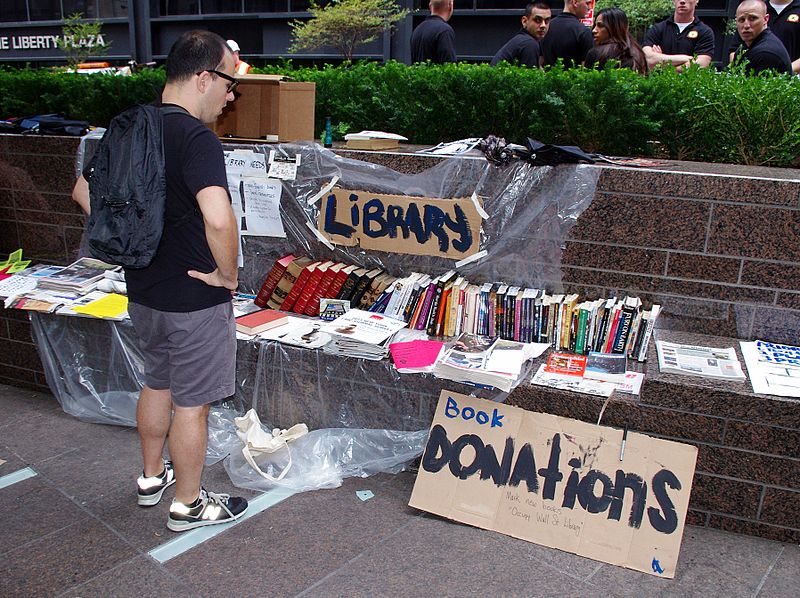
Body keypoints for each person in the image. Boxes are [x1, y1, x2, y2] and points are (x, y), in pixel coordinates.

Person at [72, 30, 248, 532]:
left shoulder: (129, 125)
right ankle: (188, 505)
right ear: (201, 78)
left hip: (144, 289)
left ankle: (152, 478)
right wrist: (228, 275)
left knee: (157, 382)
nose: (230, 95)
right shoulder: (195, 138)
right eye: (228, 83)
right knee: (193, 403)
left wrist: (133, 239)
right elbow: (218, 219)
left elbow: (83, 191)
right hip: (194, 294)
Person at [643, 0, 715, 71]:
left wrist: (662, 63)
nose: (682, 1)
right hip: (658, 82)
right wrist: (685, 59)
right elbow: (647, 58)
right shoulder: (658, 29)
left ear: (696, 1)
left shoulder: (705, 32)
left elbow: (701, 64)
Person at [731, 0, 793, 74]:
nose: (746, 25)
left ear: (765, 19)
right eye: (741, 20)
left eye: (752, 18)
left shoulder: (766, 53)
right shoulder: (744, 48)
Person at [584, 7, 648, 74]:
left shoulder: (595, 53)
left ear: (614, 27)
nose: (594, 30)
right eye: (595, 25)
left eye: (600, 25)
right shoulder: (638, 52)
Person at [490, 2, 552, 68]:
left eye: (547, 21)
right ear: (524, 21)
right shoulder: (529, 43)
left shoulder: (522, 40)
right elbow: (529, 77)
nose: (543, 25)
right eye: (537, 20)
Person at [541, 0, 594, 69]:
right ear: (574, 2)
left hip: (547, 78)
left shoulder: (544, 28)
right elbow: (586, 71)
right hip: (574, 78)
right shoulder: (583, 31)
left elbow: (539, 62)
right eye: (587, 3)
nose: (590, 7)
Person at [761, 0, 800, 73]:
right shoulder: (757, 9)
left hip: (794, 78)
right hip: (757, 79)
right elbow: (735, 48)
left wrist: (786, 70)